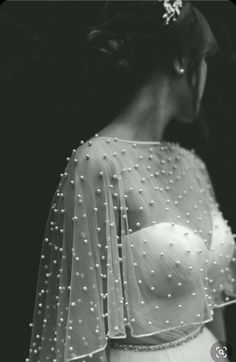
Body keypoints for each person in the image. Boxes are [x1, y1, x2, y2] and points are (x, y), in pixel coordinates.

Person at [26, 1, 236, 362]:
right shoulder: (97, 163)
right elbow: (79, 331)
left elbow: (213, 308)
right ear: (182, 59)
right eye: (204, 59)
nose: (206, 72)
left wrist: (220, 356)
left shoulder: (193, 166)